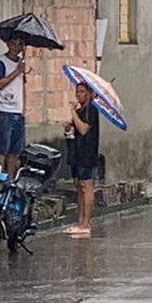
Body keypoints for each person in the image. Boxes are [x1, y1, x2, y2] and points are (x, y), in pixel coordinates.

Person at [66, 82, 100, 236]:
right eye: (77, 92)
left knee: (87, 186)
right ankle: (80, 221)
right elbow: (74, 130)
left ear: (89, 94)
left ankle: (86, 223)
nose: (79, 95)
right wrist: (68, 125)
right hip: (76, 153)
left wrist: (72, 113)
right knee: (78, 186)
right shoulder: (80, 111)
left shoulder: (91, 111)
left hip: (87, 153)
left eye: (82, 92)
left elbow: (84, 129)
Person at [0, 38, 28, 179]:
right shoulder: (0, 62)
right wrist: (17, 72)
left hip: (17, 111)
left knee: (14, 151)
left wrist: (23, 109)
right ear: (7, 44)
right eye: (13, 43)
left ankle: (10, 181)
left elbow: (22, 86)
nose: (16, 47)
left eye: (20, 44)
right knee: (2, 149)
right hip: (4, 110)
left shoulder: (21, 64)